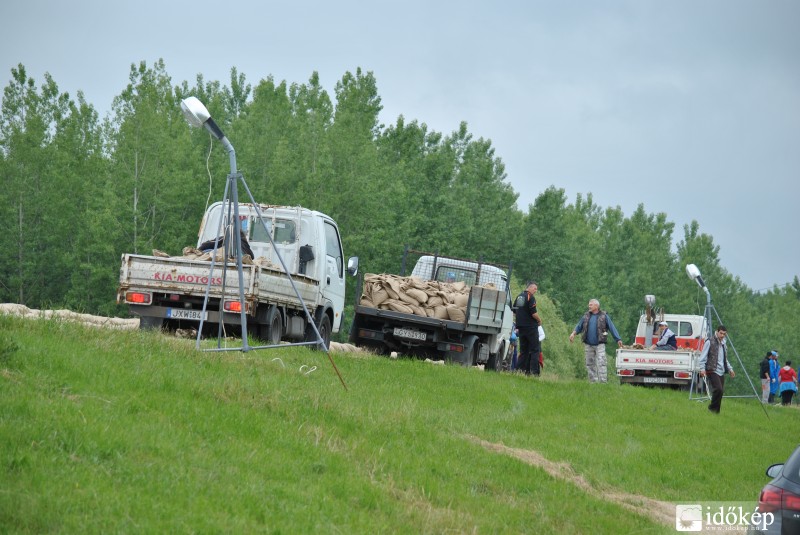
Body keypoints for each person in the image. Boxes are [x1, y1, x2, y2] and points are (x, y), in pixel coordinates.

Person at [569, 298, 624, 383]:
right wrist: (573, 333)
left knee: (601, 363)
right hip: (588, 344)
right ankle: (593, 382)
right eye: (589, 304)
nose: (589, 306)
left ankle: (603, 382)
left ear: (597, 306)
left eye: (591, 304)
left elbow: (612, 327)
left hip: (600, 344)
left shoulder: (604, 316)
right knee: (589, 364)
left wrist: (618, 339)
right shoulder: (586, 316)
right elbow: (579, 326)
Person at [698, 325, 735, 414]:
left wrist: (730, 369)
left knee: (720, 392)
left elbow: (725, 359)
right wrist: (702, 369)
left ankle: (716, 411)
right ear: (717, 332)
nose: (722, 335)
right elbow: (703, 357)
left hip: (721, 370)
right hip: (712, 369)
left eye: (724, 334)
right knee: (718, 389)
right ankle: (711, 409)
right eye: (721, 333)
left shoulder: (724, 344)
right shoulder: (710, 342)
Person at [514, 281, 541, 376]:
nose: (535, 291)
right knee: (535, 349)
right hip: (530, 327)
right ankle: (533, 372)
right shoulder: (530, 297)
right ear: (529, 288)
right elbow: (534, 313)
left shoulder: (519, 297)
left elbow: (514, 311)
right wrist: (539, 320)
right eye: (535, 288)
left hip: (521, 327)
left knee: (523, 351)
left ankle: (519, 370)